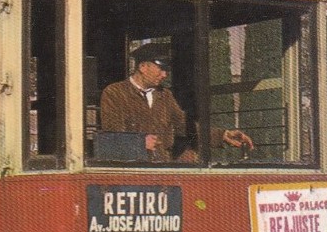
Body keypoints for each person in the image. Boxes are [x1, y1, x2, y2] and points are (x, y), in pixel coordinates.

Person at [100, 43, 254, 163]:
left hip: (162, 171)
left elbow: (186, 127)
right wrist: (139, 143)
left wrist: (223, 135)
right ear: (142, 67)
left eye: (166, 70)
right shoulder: (114, 93)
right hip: (130, 174)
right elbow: (112, 136)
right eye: (161, 68)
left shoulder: (165, 96)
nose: (164, 75)